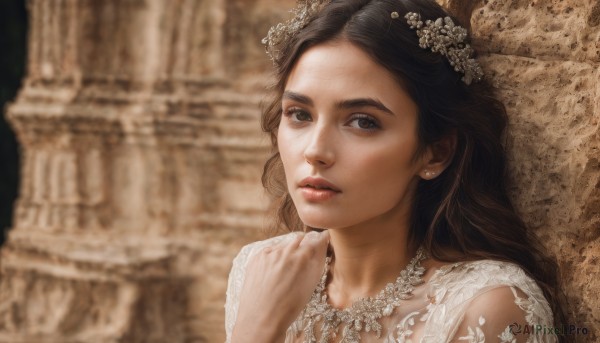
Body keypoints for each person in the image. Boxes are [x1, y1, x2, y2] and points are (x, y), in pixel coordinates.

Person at [225, 0, 567, 342]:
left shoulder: (484, 308)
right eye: (299, 114)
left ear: (435, 153)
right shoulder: (259, 270)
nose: (315, 151)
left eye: (363, 121)